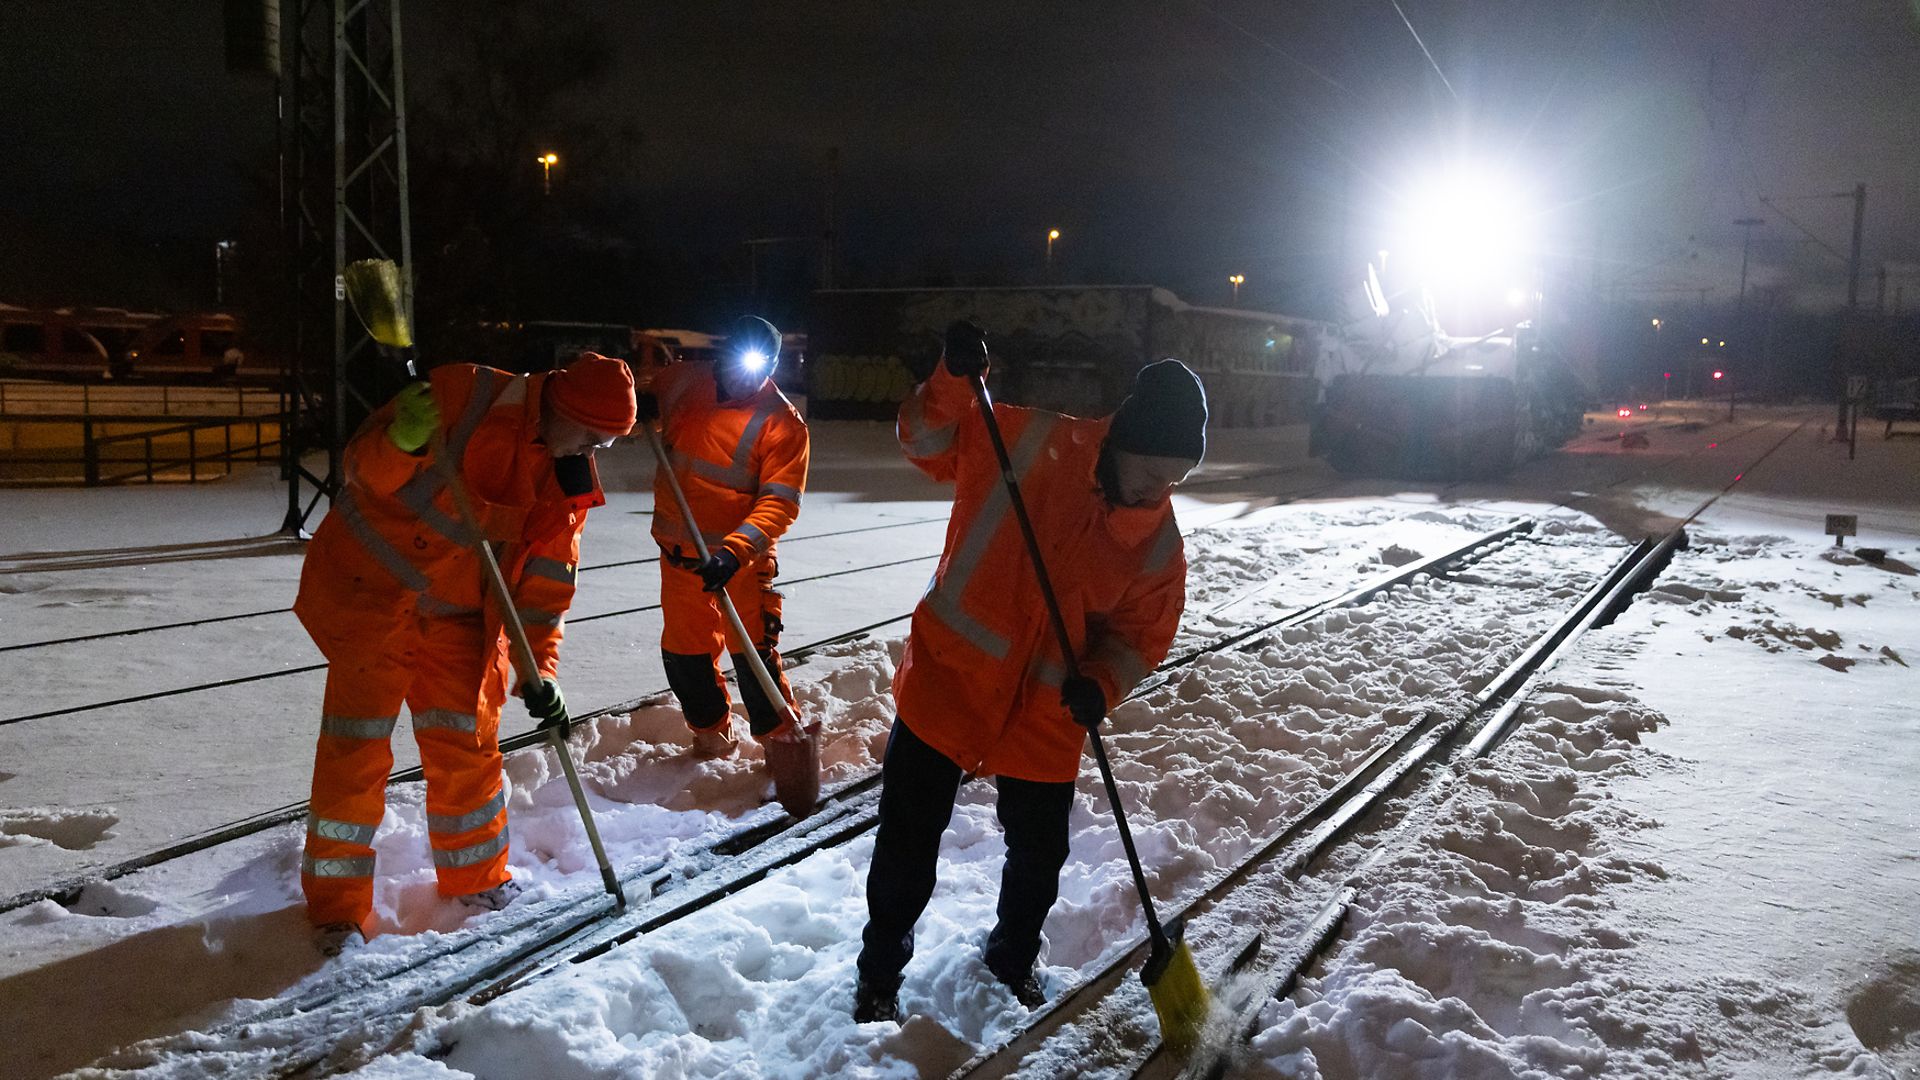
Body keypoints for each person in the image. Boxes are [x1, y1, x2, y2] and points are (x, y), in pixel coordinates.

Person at [852, 321, 1207, 1023]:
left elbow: (1142, 636)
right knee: (906, 845)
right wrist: (954, 380)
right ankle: (879, 973)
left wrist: (1100, 683)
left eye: (1175, 480)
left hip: (1047, 711)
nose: (1157, 491)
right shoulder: (1023, 440)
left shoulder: (1157, 544)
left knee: (1040, 857)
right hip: (949, 681)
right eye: (1152, 472)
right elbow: (921, 440)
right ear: (1123, 438)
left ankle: (1013, 958)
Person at [293, 352, 637, 955]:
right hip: (376, 600)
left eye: (605, 444)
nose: (591, 453)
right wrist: (402, 444)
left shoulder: (566, 484)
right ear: (559, 405)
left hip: (458, 624)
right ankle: (337, 911)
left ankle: (477, 882)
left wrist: (541, 673)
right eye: (590, 436)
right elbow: (362, 473)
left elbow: (545, 592)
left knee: (470, 751)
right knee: (354, 752)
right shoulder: (464, 395)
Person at [642, 315, 819, 805]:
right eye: (737, 361)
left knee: (753, 654)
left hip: (738, 560)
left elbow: (780, 501)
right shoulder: (684, 383)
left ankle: (781, 739)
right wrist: (644, 400)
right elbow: (644, 394)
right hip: (679, 553)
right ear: (721, 355)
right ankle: (710, 734)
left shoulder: (783, 423)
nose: (744, 376)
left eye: (759, 366)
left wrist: (735, 549)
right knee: (685, 652)